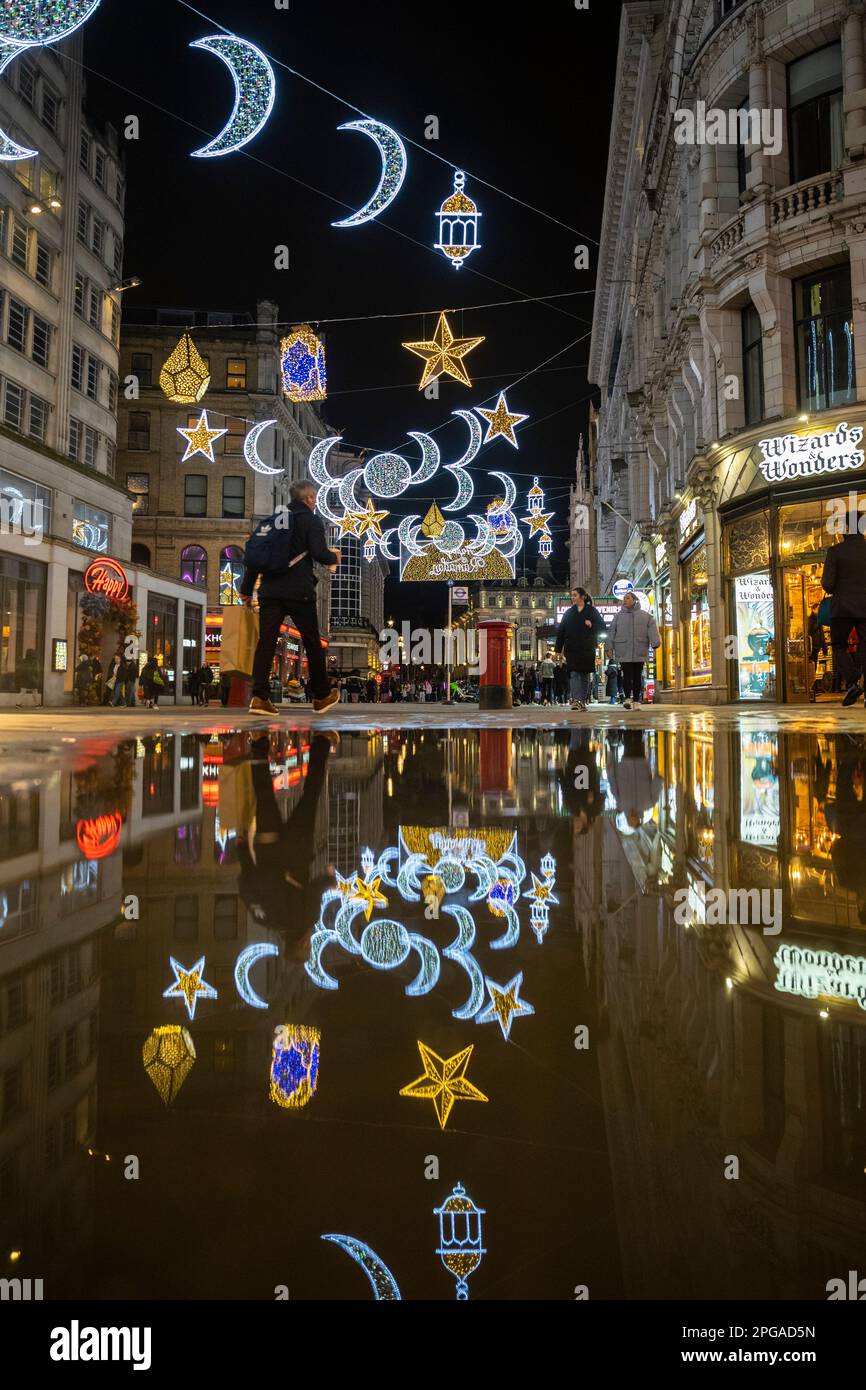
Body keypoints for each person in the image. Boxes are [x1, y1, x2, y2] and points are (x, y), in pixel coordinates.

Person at [241, 479, 341, 715]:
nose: (315, 503)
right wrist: (334, 556)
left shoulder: (275, 519)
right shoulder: (310, 520)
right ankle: (322, 696)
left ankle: (259, 697)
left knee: (265, 643)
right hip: (298, 590)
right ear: (308, 499)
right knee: (312, 642)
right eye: (314, 499)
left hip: (270, 591)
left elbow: (256, 557)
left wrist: (246, 590)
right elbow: (319, 554)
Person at [822, 531, 866, 707]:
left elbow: (828, 584)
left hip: (842, 607)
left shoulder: (835, 552)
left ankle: (854, 679)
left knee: (838, 645)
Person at [604, 592, 661, 709]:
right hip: (623, 649)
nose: (625, 600)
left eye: (628, 598)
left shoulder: (645, 616)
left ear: (635, 600)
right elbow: (611, 632)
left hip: (639, 649)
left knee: (637, 675)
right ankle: (627, 698)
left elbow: (652, 629)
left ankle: (636, 700)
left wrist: (655, 643)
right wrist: (608, 647)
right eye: (624, 598)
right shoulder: (618, 616)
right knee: (627, 676)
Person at [555, 587, 606, 712]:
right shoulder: (568, 613)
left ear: (582, 597)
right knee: (574, 674)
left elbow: (603, 628)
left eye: (575, 595)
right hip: (571, 648)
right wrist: (558, 650)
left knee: (584, 675)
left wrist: (592, 625)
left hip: (587, 648)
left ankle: (582, 701)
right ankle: (576, 700)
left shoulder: (592, 611)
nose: (572, 598)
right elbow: (561, 632)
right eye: (571, 596)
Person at [807, 603, 827, 703]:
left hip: (817, 647)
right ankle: (811, 688)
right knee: (811, 668)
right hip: (812, 647)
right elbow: (808, 633)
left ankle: (813, 688)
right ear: (814, 609)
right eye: (818, 608)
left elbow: (822, 635)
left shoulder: (819, 620)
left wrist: (824, 647)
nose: (820, 610)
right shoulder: (810, 620)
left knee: (814, 668)